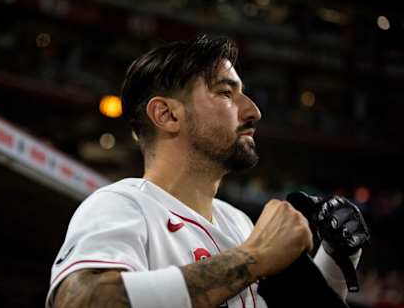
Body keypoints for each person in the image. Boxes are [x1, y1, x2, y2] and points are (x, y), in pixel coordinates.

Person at [46, 35, 361, 308]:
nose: (254, 110)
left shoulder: (240, 223)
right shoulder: (122, 204)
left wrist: (333, 260)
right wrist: (253, 257)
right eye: (226, 93)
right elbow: (79, 301)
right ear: (168, 115)